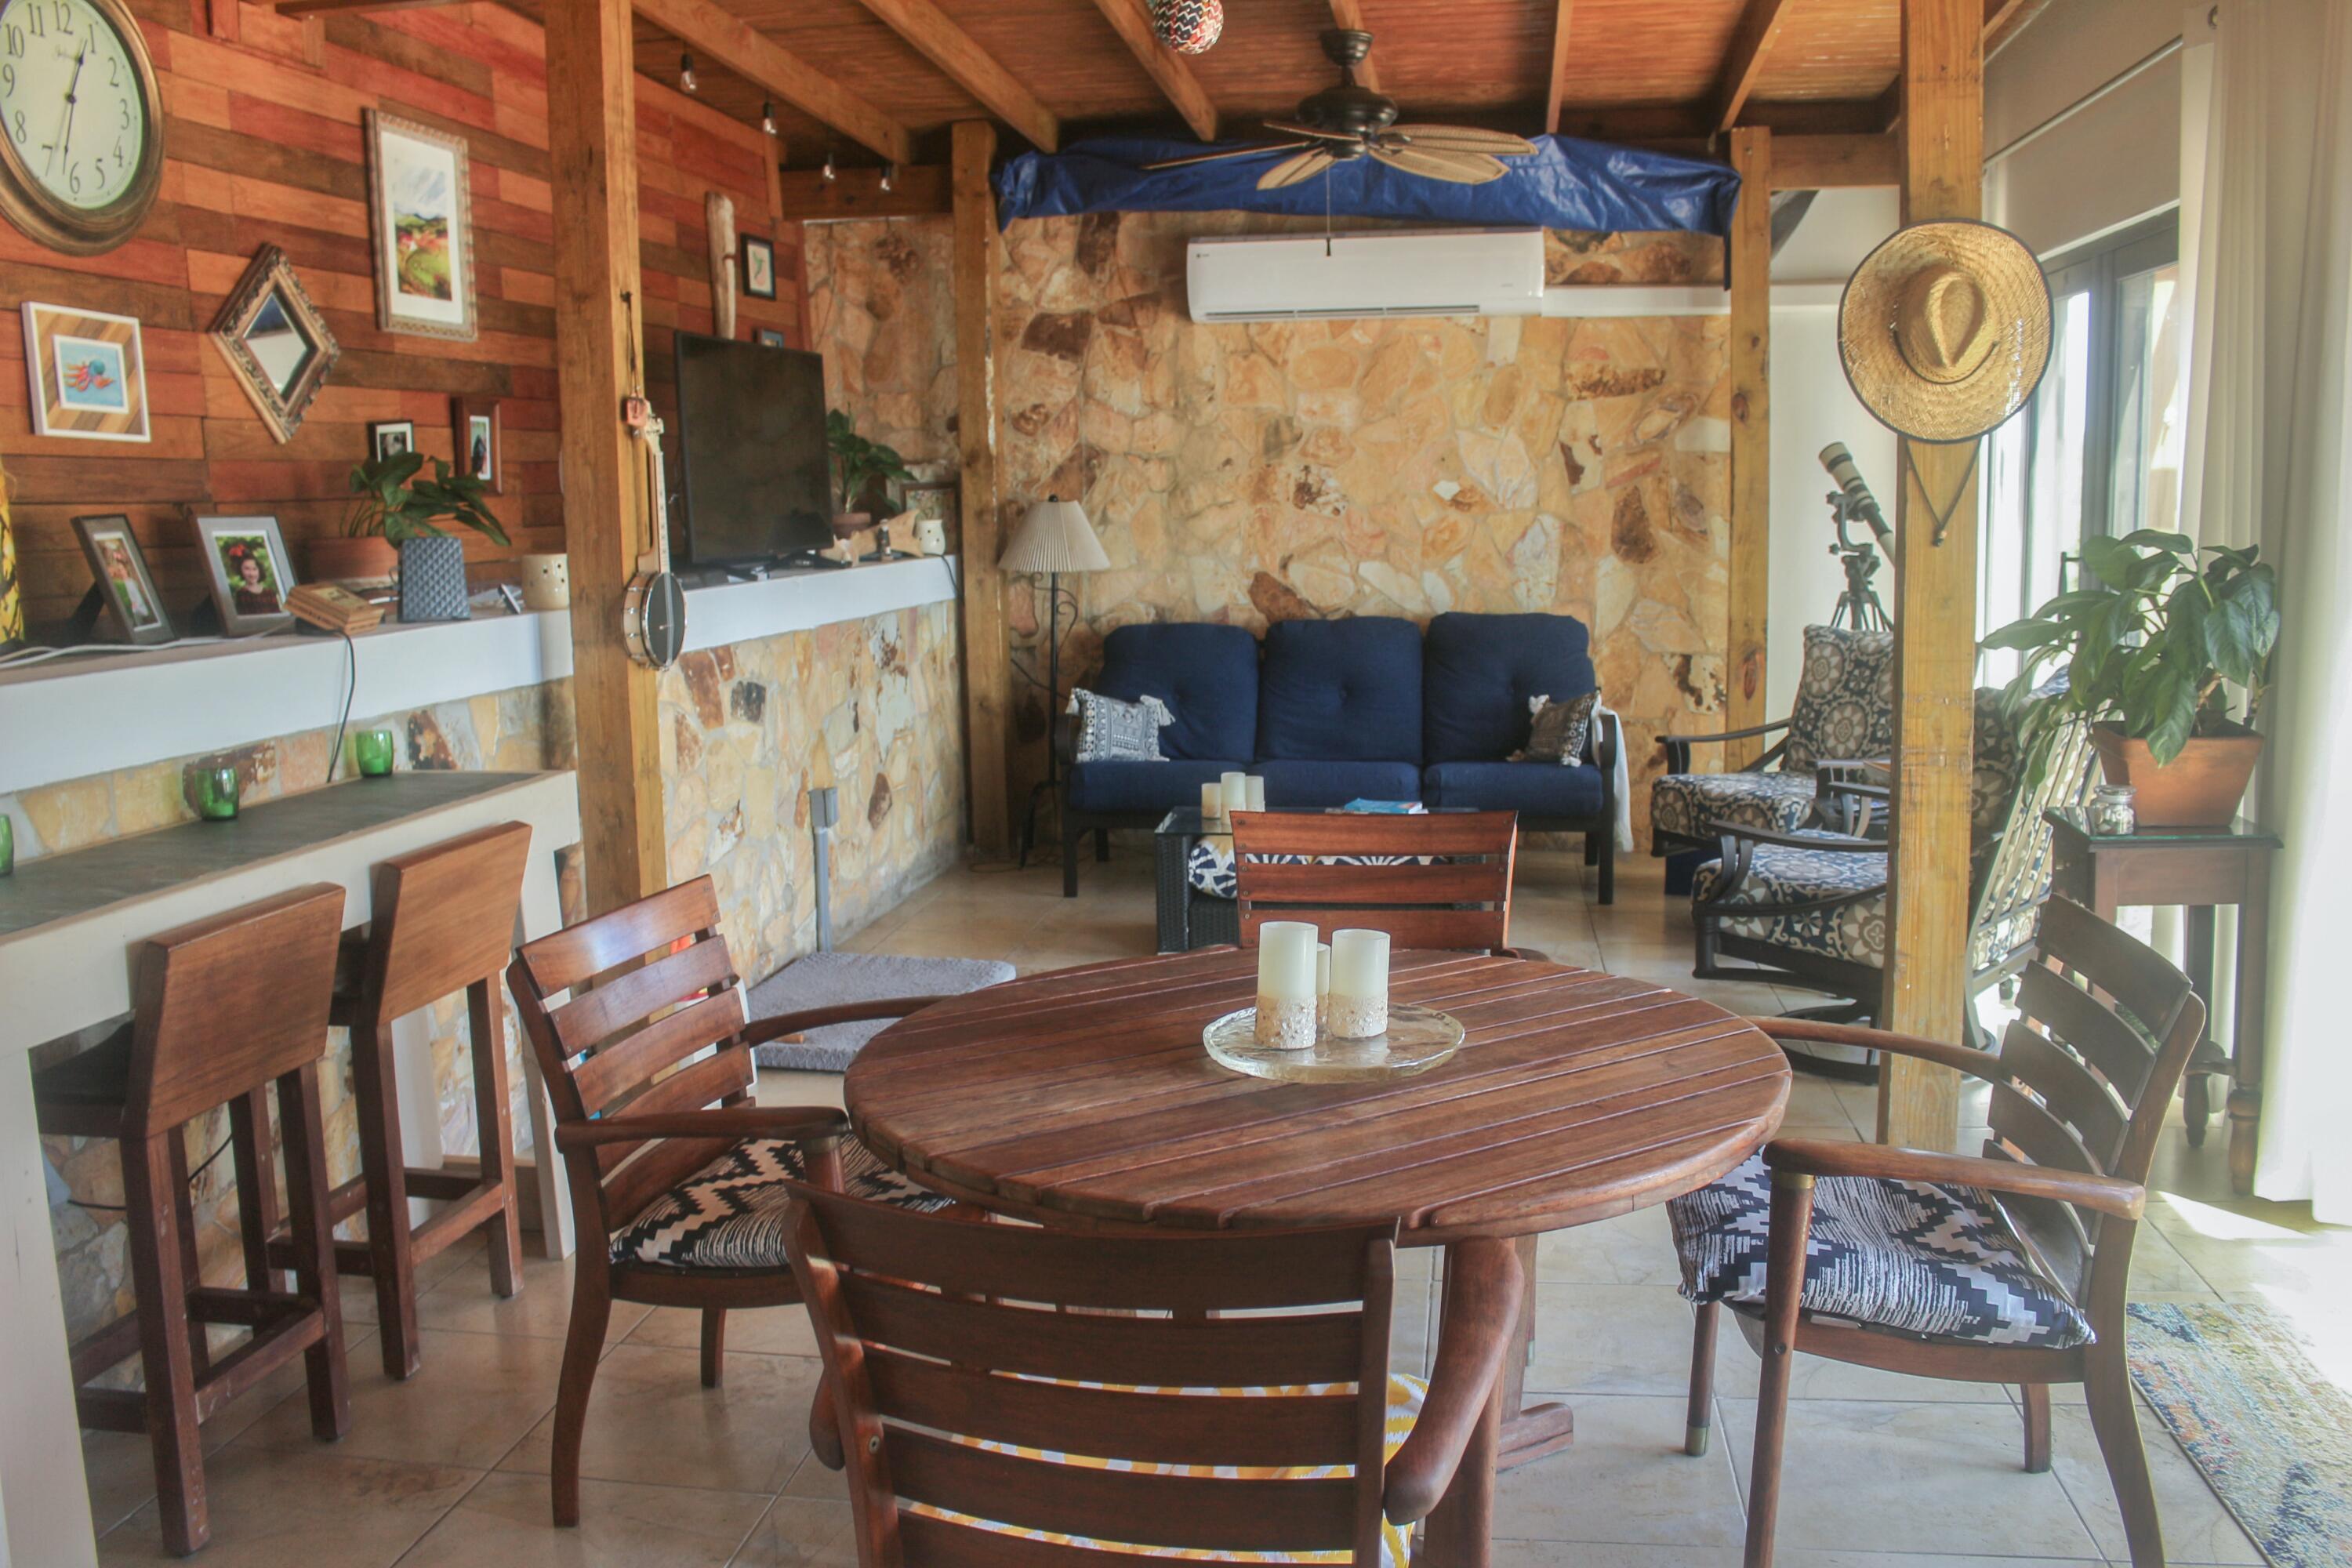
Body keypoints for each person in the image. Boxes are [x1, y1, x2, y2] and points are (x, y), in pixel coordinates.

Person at [227, 545, 281, 615]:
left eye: (254, 569)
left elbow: (277, 615)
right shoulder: (241, 594)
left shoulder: (270, 593)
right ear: (240, 571)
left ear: (259, 570)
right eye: (247, 569)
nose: (252, 574)